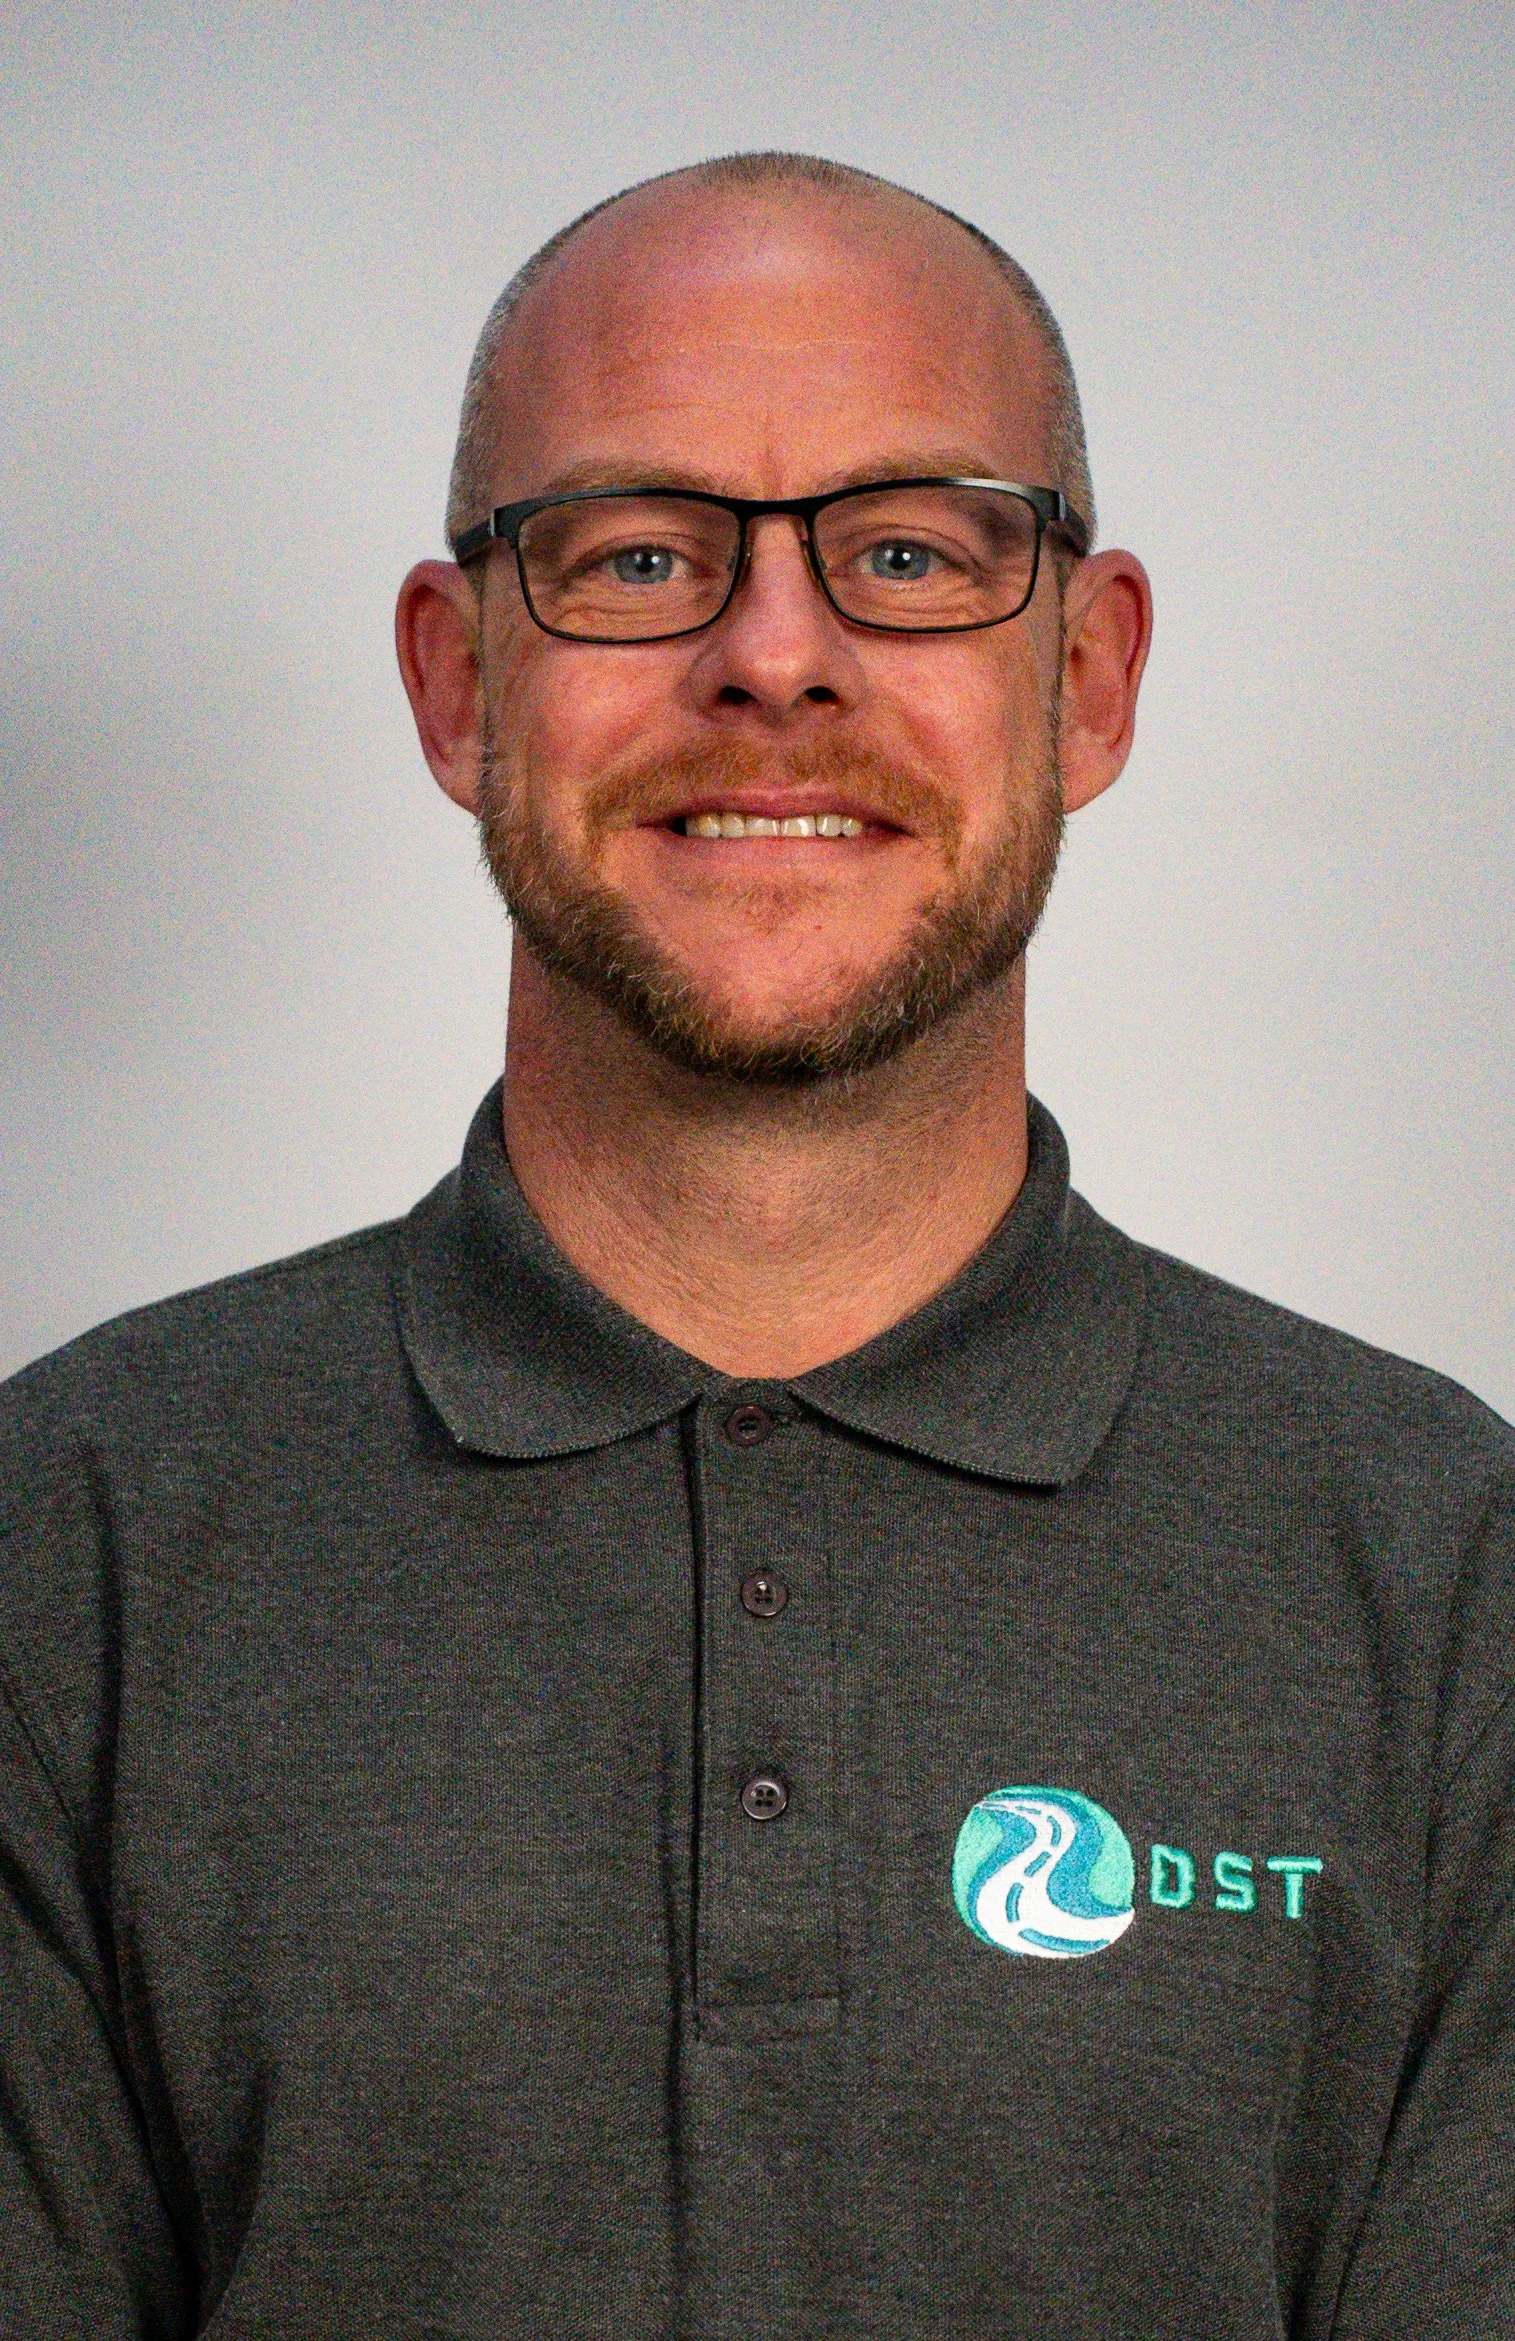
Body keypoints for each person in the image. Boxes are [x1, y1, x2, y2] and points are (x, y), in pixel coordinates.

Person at [1, 150, 1510, 2341]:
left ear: (1088, 677)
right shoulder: (64, 1544)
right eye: (636, 555)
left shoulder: (1450, 1577)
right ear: (457, 682)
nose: (775, 658)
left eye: (908, 552)